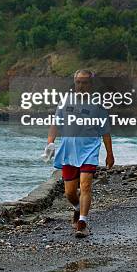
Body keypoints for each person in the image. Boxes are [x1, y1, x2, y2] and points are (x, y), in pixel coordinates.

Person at [44, 69, 114, 238]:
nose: (81, 86)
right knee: (69, 192)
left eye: (85, 83)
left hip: (89, 149)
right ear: (74, 83)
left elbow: (105, 131)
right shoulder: (65, 101)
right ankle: (77, 208)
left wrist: (109, 154)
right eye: (78, 82)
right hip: (68, 151)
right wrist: (50, 143)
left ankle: (82, 223)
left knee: (85, 185)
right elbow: (56, 124)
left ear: (91, 84)